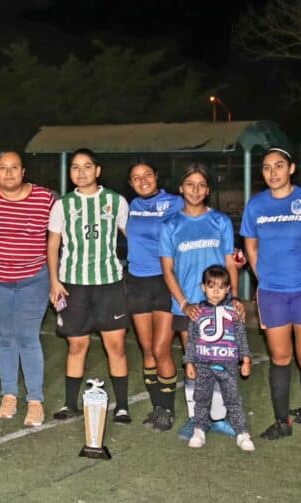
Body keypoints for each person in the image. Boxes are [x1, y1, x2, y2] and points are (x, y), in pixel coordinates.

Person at [240, 147, 301, 447]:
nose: (273, 172)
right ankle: (281, 422)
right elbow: (250, 246)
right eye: (266, 168)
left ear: (290, 169)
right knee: (280, 357)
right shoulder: (256, 206)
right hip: (272, 293)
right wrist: (262, 276)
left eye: (279, 166)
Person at [46, 149, 131, 423]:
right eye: (75, 167)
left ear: (98, 170)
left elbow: (133, 237)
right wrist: (54, 280)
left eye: (87, 166)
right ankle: (71, 404)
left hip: (109, 284)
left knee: (115, 346)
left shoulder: (116, 201)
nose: (81, 172)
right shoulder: (63, 205)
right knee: (76, 345)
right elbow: (53, 244)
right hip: (74, 285)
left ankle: (122, 406)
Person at [0, 151, 55, 427]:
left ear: (23, 172)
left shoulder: (45, 198)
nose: (8, 173)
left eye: (14, 168)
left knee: (28, 338)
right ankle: (9, 394)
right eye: (2, 168)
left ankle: (35, 400)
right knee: (5, 338)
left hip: (34, 279)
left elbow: (61, 231)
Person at [159, 164, 242, 440]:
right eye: (190, 184)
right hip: (190, 307)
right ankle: (197, 418)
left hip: (220, 305)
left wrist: (235, 298)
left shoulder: (220, 221)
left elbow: (230, 262)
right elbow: (168, 270)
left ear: (207, 189)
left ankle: (218, 416)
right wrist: (183, 303)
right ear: (181, 189)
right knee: (195, 361)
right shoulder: (171, 225)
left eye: (201, 185)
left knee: (221, 362)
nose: (196, 190)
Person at [125, 160, 183, 431]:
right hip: (137, 281)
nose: (143, 180)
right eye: (136, 177)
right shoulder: (130, 207)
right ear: (130, 183)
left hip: (164, 281)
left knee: (161, 349)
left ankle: (169, 410)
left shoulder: (175, 203)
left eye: (147, 174)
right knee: (147, 350)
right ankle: (157, 406)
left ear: (156, 176)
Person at [184, 265, 255, 452]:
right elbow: (191, 340)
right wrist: (189, 362)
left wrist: (246, 359)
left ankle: (242, 432)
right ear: (203, 288)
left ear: (228, 290)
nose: (216, 291)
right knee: (201, 398)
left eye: (221, 287)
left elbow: (241, 337)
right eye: (211, 286)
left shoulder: (233, 312)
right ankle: (199, 429)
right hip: (203, 363)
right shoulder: (197, 312)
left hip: (228, 364)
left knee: (233, 399)